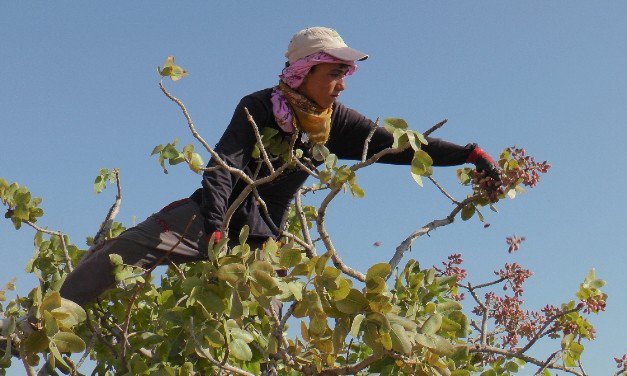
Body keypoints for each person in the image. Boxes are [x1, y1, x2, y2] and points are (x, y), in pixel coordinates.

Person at [57, 26, 501, 307]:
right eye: (333, 74)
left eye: (346, 75)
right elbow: (221, 167)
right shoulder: (259, 107)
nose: (342, 85)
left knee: (251, 325)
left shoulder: (336, 122)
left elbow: (400, 146)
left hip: (261, 246)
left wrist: (469, 154)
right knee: (113, 256)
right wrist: (215, 226)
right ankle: (29, 332)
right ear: (303, 72)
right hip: (207, 221)